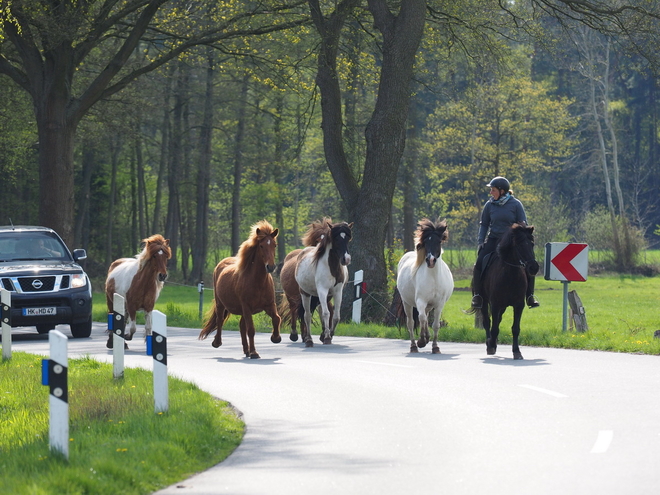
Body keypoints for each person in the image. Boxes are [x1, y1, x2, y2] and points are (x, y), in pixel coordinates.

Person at [471, 176, 539, 309]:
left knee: (529, 262)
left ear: (502, 191)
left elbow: (523, 223)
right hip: (494, 240)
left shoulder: (516, 204)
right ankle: (478, 296)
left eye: (493, 190)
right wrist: (480, 241)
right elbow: (484, 225)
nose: (491, 192)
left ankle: (530, 296)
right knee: (479, 263)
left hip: (511, 242)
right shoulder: (489, 205)